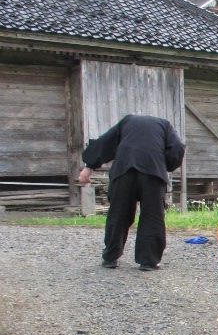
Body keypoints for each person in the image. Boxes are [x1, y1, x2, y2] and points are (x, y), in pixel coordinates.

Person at [78, 114, 186, 271]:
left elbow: (106, 141)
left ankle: (110, 257)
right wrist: (167, 164)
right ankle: (148, 261)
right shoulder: (165, 125)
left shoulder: (127, 121)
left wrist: (89, 165)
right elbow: (176, 148)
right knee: (152, 215)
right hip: (153, 172)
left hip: (124, 170)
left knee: (118, 213)